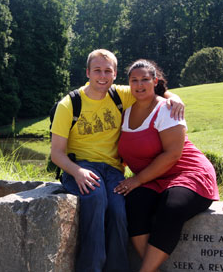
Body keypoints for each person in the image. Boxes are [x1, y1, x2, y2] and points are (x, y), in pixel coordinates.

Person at [50, 49, 184, 272]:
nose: (102, 76)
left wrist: (175, 98)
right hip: (80, 167)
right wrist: (77, 172)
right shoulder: (69, 104)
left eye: (107, 71)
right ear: (88, 72)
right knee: (95, 199)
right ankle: (91, 268)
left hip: (112, 171)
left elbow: (151, 90)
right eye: (97, 71)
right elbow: (57, 153)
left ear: (114, 75)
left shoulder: (119, 94)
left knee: (120, 210)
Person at [114, 59, 219, 272]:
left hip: (189, 173)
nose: (140, 84)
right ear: (128, 84)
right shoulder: (124, 112)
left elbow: (173, 155)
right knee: (134, 204)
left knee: (172, 207)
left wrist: (137, 180)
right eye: (134, 80)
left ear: (155, 81)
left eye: (145, 79)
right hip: (154, 179)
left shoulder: (167, 109)